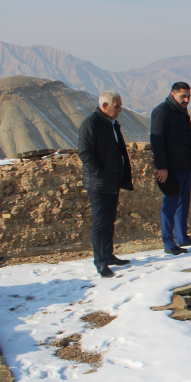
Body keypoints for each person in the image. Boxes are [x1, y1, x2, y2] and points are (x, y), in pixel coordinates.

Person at [78, 91, 134, 278]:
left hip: (112, 180)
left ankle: (108, 255)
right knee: (100, 222)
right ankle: (100, 262)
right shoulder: (91, 123)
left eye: (120, 106)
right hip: (99, 183)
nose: (120, 110)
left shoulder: (111, 124)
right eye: (116, 106)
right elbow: (85, 152)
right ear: (104, 106)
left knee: (110, 220)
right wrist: (100, 174)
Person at [150, 81, 191, 255]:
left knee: (183, 204)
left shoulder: (181, 111)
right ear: (173, 94)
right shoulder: (162, 111)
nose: (186, 100)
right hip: (170, 168)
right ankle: (169, 242)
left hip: (184, 165)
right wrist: (161, 167)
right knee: (170, 204)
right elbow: (156, 140)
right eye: (182, 96)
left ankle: (182, 237)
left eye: (188, 96)